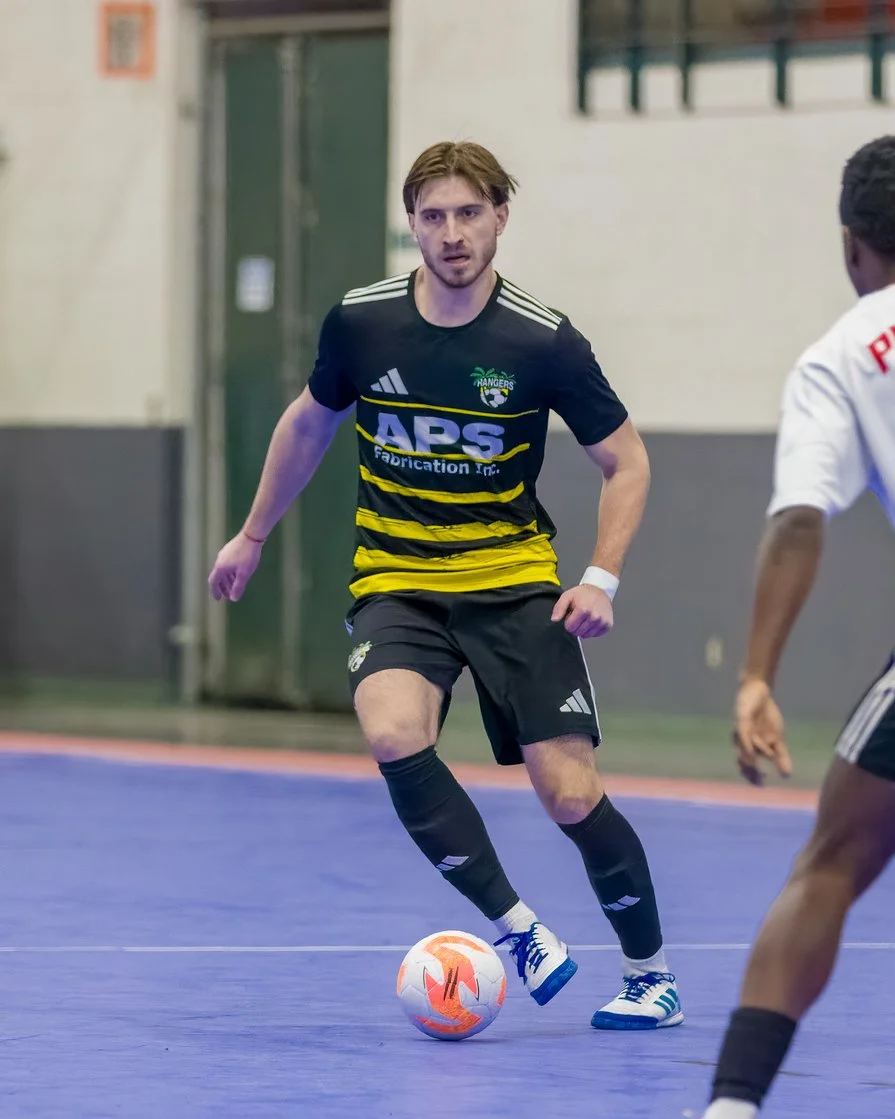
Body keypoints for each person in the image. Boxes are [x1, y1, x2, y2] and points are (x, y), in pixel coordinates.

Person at [208, 140, 682, 1029]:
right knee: (392, 733)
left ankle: (649, 974)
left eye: (469, 212)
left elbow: (627, 461)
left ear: (501, 214)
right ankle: (520, 929)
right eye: (432, 215)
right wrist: (252, 532)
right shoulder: (362, 322)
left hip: (513, 583)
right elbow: (309, 426)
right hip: (397, 577)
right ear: (411, 224)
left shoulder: (543, 340)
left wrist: (600, 576)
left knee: (569, 793)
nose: (452, 233)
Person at [703, 135, 895, 1116]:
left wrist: (754, 675)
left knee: (833, 861)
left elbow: (798, 519)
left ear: (852, 246)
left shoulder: (843, 355)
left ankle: (732, 1105)